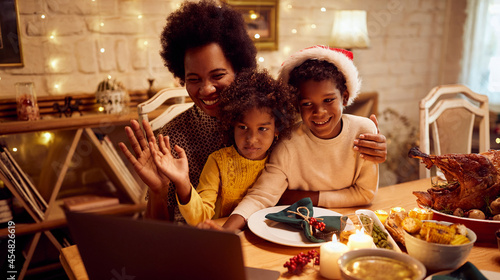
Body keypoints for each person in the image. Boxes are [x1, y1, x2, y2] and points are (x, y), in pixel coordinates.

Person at [119, 0, 387, 224]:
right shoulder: (173, 137)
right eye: (194, 79)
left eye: (218, 75)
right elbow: (158, 234)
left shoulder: (277, 117)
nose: (206, 89)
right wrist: (157, 190)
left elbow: (328, 148)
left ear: (239, 69)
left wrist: (369, 142)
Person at [222, 45, 379, 231]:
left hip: (352, 224)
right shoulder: (289, 144)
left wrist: (307, 198)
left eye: (328, 100)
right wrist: (226, 232)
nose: (319, 112)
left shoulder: (363, 131)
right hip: (295, 230)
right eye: (307, 103)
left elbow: (366, 194)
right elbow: (261, 196)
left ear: (344, 97)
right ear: (297, 105)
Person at [148, 69, 297, 226]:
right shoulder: (218, 162)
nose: (252, 139)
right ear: (231, 125)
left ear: (277, 129)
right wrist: (183, 183)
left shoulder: (279, 158)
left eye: (262, 129)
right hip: (224, 235)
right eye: (243, 127)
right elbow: (199, 219)